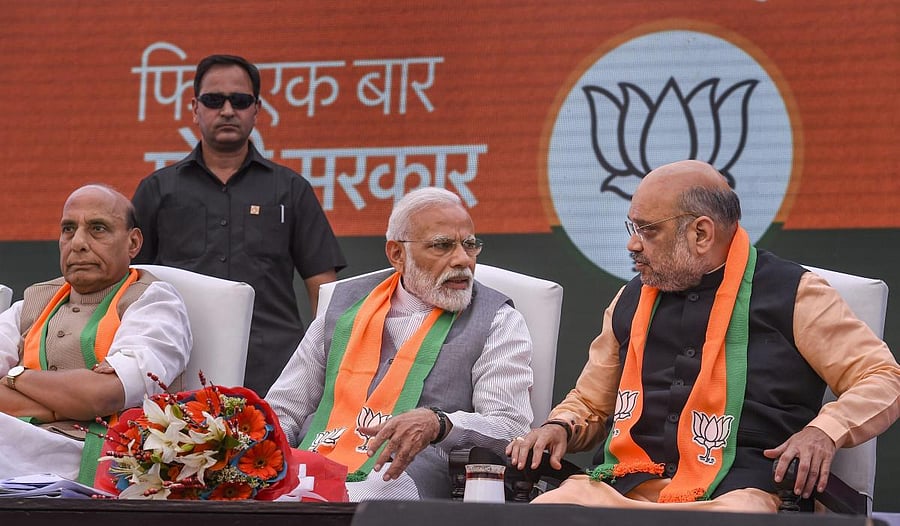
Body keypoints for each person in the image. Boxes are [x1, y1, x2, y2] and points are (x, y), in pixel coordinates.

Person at [507, 160, 900, 512]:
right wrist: (558, 427)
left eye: (647, 230)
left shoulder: (795, 293)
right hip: (622, 486)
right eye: (633, 227)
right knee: (550, 510)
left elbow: (883, 378)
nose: (632, 244)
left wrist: (823, 432)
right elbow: (591, 402)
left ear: (700, 233)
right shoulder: (630, 298)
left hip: (738, 492)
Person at [266, 187, 534, 500]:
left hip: (404, 475)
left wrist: (440, 424)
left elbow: (510, 426)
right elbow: (282, 411)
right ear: (397, 254)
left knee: (355, 502)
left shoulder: (497, 319)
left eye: (470, 245)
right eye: (442, 246)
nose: (463, 260)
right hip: (311, 464)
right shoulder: (343, 309)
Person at [132, 54, 346, 396]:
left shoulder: (290, 189)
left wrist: (326, 364)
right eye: (215, 100)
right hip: (177, 365)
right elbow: (130, 281)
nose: (228, 110)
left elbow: (323, 286)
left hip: (276, 373)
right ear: (194, 108)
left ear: (257, 110)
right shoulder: (157, 189)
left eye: (241, 101)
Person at [0, 184, 191, 482]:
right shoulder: (32, 302)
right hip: (19, 446)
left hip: (101, 456)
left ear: (133, 242)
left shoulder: (155, 301)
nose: (77, 243)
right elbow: (87, 396)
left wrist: (15, 376)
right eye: (68, 229)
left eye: (97, 229)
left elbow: (101, 397)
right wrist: (60, 405)